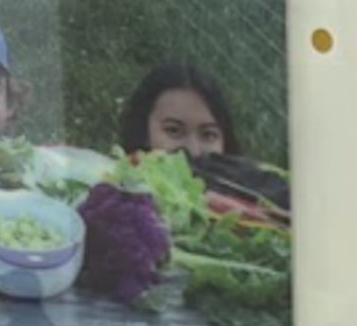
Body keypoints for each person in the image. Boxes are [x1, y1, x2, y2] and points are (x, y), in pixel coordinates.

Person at [118, 58, 291, 217]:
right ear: (144, 132)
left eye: (208, 135)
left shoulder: (264, 202)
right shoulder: (114, 198)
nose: (193, 150)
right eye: (174, 131)